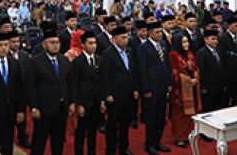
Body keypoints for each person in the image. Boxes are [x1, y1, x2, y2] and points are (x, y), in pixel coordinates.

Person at [27, 29, 75, 155]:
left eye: (57, 42)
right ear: (44, 45)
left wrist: (72, 102)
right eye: (52, 43)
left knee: (58, 140)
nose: (55, 45)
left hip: (61, 107)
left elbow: (70, 83)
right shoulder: (35, 61)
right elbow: (31, 86)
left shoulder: (64, 60)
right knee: (39, 141)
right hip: (43, 108)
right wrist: (34, 107)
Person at [100, 26, 139, 155]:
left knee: (125, 123)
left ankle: (124, 147)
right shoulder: (107, 54)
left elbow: (133, 71)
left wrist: (135, 88)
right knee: (112, 124)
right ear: (114, 39)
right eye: (123, 38)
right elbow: (104, 76)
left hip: (128, 94)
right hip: (115, 95)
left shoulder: (130, 51)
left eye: (127, 37)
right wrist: (107, 94)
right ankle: (110, 149)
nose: (126, 40)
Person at [137, 21, 171, 154]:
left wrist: (169, 83)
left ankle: (158, 142)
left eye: (161, 31)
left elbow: (166, 64)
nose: (160, 34)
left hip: (162, 86)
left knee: (161, 117)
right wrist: (146, 89)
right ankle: (149, 144)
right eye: (157, 32)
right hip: (151, 88)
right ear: (150, 34)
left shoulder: (163, 45)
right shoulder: (143, 48)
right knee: (151, 117)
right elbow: (142, 70)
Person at [72, 31, 104, 155]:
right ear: (83, 45)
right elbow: (75, 85)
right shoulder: (77, 62)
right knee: (81, 131)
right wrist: (78, 104)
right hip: (84, 102)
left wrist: (102, 100)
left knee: (93, 130)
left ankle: (92, 151)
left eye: (95, 43)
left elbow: (101, 82)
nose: (93, 46)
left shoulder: (99, 60)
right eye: (90, 43)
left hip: (96, 101)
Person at [169, 35, 201, 148]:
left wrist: (196, 77)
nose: (186, 44)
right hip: (179, 90)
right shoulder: (173, 55)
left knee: (190, 114)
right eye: (183, 42)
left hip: (191, 88)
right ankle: (179, 137)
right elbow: (174, 73)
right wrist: (188, 81)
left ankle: (187, 135)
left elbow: (196, 68)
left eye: (187, 41)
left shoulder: (190, 53)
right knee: (180, 115)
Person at [8, 30, 32, 149]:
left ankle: (22, 137)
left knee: (22, 116)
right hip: (9, 92)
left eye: (18, 41)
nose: (16, 44)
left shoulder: (24, 55)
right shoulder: (4, 55)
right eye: (13, 42)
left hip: (22, 92)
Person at [196, 29, 227, 113]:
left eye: (216, 39)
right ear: (206, 40)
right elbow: (201, 71)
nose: (215, 41)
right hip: (209, 88)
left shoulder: (219, 51)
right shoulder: (201, 53)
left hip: (219, 86)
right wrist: (203, 87)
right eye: (213, 39)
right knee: (209, 109)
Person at [217, 16, 237, 106]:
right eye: (236, 26)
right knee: (226, 100)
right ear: (229, 26)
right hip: (229, 76)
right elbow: (221, 58)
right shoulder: (223, 39)